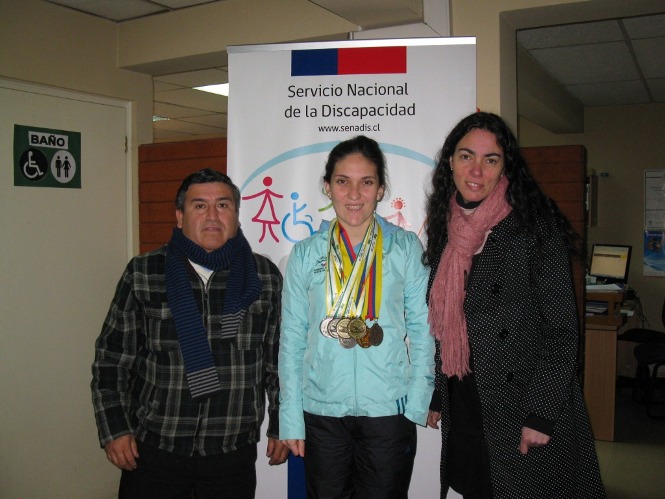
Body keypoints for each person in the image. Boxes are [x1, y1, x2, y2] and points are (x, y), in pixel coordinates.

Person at [423, 112, 605, 498]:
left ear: (506, 167)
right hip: (468, 401)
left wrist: (541, 412)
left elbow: (562, 330)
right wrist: (441, 392)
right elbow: (448, 324)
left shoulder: (533, 227)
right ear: (450, 162)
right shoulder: (446, 229)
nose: (477, 170)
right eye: (466, 156)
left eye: (491, 159)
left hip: (523, 402)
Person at [91, 168, 288, 498]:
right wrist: (115, 429)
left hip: (231, 455)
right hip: (154, 451)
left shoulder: (262, 276)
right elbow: (112, 361)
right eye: (200, 206)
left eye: (223, 205)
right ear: (180, 216)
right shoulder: (144, 272)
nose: (212, 215)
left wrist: (283, 424)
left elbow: (280, 363)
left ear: (236, 215)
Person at [279, 135, 435, 498]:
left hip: (388, 411)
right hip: (321, 412)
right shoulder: (304, 255)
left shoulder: (404, 247)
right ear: (327, 187)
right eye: (342, 181)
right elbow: (291, 340)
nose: (354, 194)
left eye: (366, 182)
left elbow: (424, 331)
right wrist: (291, 416)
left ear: (380, 189)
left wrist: (416, 401)